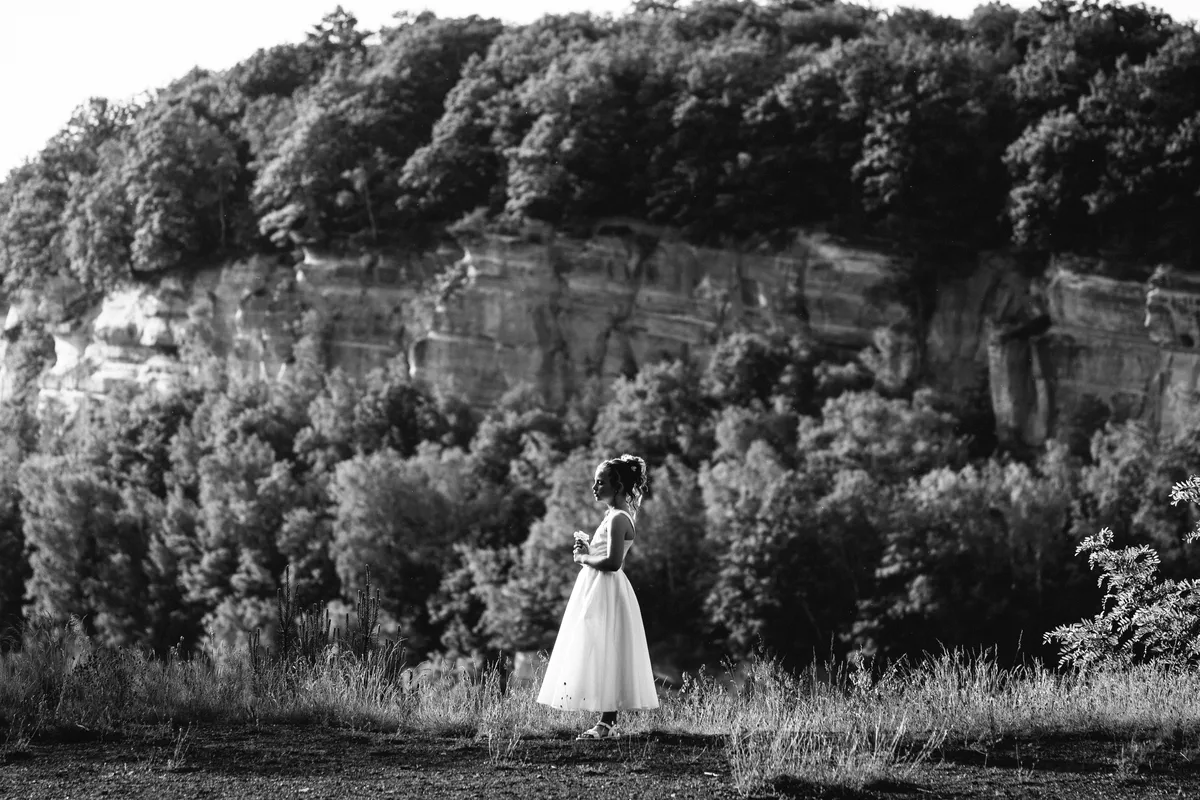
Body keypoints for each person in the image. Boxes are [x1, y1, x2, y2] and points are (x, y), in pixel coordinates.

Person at [536, 453, 659, 739]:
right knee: (599, 647)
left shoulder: (618, 519)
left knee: (605, 646)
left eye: (600, 482)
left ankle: (606, 722)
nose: (594, 487)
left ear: (617, 487)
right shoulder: (613, 516)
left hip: (606, 589)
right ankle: (605, 719)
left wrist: (583, 558)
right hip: (599, 588)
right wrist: (590, 551)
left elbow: (615, 563)